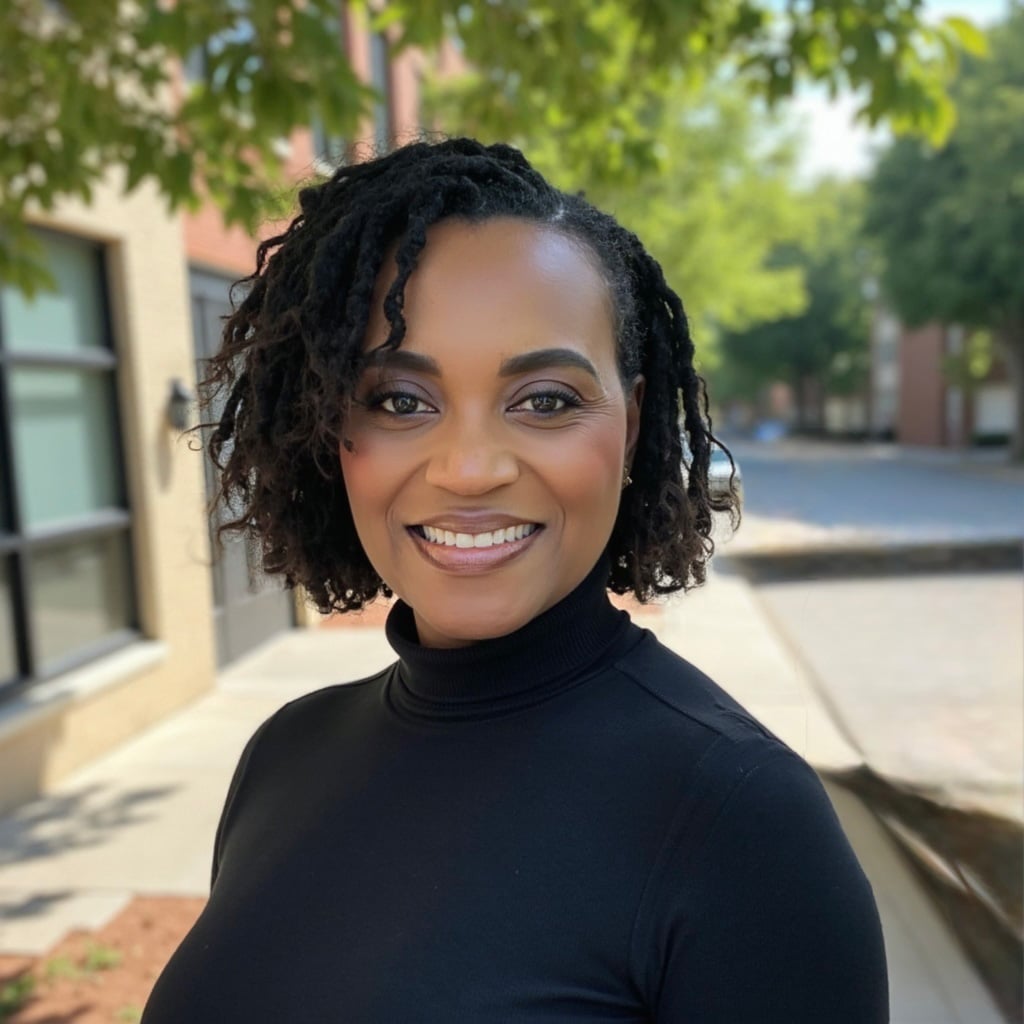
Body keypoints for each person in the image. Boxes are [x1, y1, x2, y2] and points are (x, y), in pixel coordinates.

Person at [142, 137, 888, 1022]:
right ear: (328, 428)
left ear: (633, 421)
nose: (468, 469)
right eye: (399, 400)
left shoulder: (740, 822)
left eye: (544, 400)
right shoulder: (285, 754)